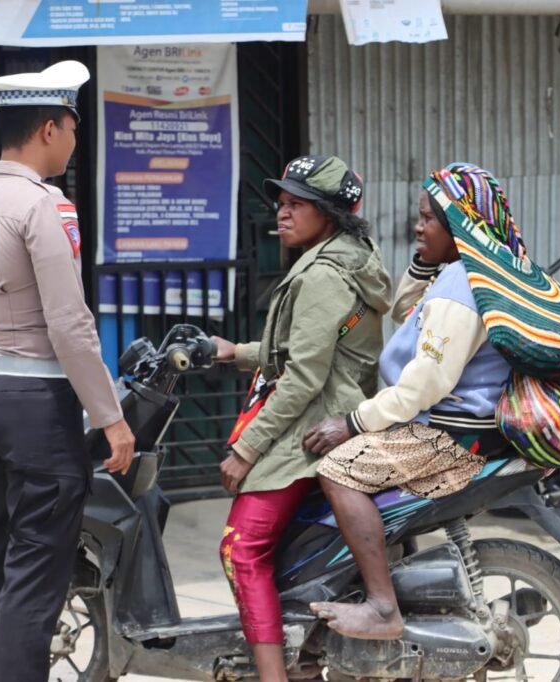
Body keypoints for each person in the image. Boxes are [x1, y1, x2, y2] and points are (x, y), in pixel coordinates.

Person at [0, 61, 135, 682]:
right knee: (35, 579)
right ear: (51, 128)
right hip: (37, 402)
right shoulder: (44, 205)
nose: (74, 141)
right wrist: (112, 417)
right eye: (73, 127)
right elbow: (69, 322)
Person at [303, 163, 519, 641]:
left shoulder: (462, 287)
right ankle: (390, 573)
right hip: (454, 424)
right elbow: (407, 314)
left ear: (461, 226)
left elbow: (424, 384)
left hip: (447, 433)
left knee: (336, 470)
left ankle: (383, 607)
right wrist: (426, 261)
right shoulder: (466, 273)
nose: (417, 227)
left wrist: (353, 422)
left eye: (429, 220)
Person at [210, 155, 391, 682]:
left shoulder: (322, 277)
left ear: (328, 214)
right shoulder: (350, 258)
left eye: (296, 205)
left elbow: (304, 378)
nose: (281, 215)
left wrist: (247, 450)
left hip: (312, 426)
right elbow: (306, 351)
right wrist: (234, 352)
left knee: (240, 550)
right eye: (281, 204)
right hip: (333, 409)